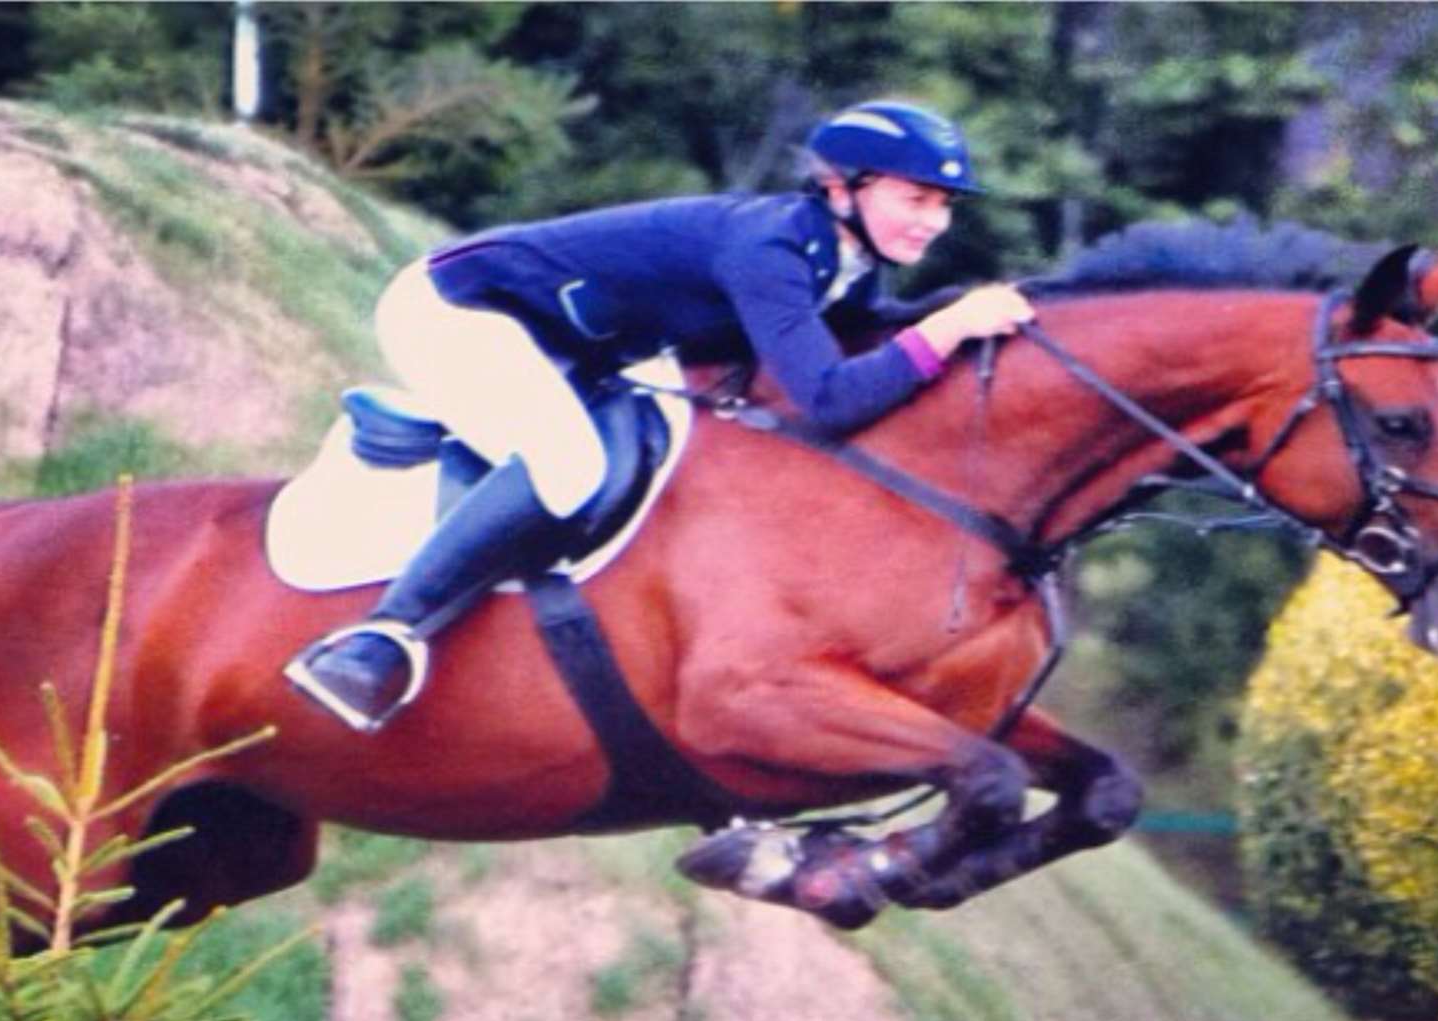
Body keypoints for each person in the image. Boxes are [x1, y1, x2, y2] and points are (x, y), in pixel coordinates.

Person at [286, 100, 1036, 733]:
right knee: (572, 468)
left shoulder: (845, 256)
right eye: (916, 198)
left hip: (567, 343)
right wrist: (949, 327)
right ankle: (376, 639)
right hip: (460, 312)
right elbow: (832, 398)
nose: (934, 222)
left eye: (943, 205)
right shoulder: (772, 245)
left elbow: (867, 338)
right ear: (842, 188)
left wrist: (962, 320)